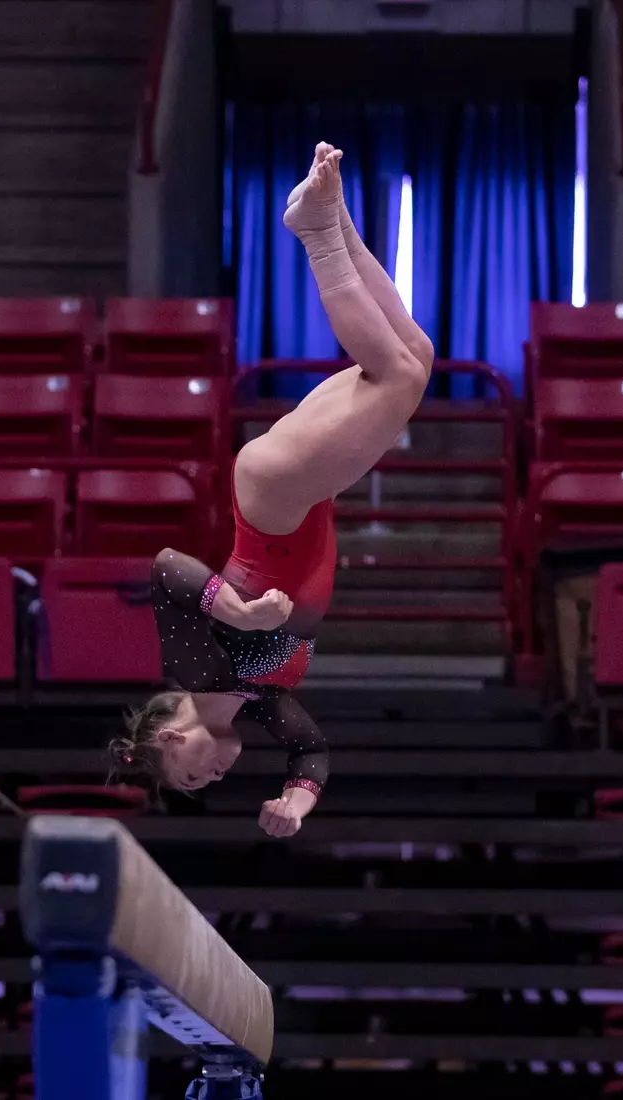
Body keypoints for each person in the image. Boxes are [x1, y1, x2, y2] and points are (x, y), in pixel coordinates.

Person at [109, 142, 434, 838]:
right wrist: (296, 802)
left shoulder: (197, 674)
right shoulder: (254, 701)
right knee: (413, 358)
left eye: (191, 773)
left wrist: (239, 612)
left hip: (275, 506)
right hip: (298, 497)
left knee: (397, 380)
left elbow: (166, 567)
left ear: (171, 738)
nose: (212, 777)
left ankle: (317, 232)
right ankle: (334, 217)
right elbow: (311, 750)